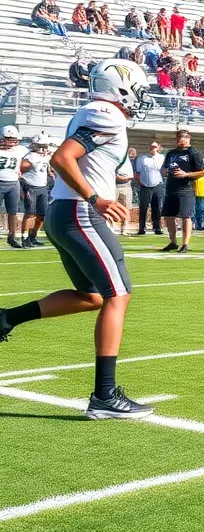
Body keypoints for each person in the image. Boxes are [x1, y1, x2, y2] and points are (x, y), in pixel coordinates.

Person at [0, 59, 156, 418]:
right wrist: (95, 198)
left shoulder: (95, 112)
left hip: (64, 212)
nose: (141, 97)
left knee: (92, 297)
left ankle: (6, 319)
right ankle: (104, 396)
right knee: (118, 295)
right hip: (79, 213)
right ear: (120, 87)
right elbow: (63, 157)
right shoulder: (106, 112)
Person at [160, 130, 204, 253]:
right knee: (169, 216)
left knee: (185, 216)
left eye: (184, 137)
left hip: (186, 188)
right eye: (179, 137)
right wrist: (165, 171)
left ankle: (185, 244)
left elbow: (202, 171)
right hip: (171, 187)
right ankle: (173, 242)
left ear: (189, 138)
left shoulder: (194, 153)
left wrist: (186, 174)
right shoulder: (171, 153)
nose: (181, 140)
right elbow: (164, 168)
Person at [19, 133, 53, 247]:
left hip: (42, 186)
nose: (42, 148)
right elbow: (21, 170)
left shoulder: (47, 156)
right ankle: (24, 238)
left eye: (44, 145)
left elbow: (48, 170)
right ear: (34, 145)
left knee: (42, 214)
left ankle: (33, 236)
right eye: (40, 145)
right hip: (30, 185)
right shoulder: (30, 156)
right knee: (30, 213)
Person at [0, 126, 28, 249]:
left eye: (13, 139)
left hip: (13, 182)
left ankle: (12, 237)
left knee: (13, 212)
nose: (11, 142)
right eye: (8, 139)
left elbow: (32, 153)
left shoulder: (21, 150)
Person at [134, 140, 164, 236]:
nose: (152, 149)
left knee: (157, 207)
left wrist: (155, 155)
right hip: (145, 185)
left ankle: (157, 227)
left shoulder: (161, 157)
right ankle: (141, 228)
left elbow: (159, 167)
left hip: (157, 184)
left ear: (159, 147)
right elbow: (137, 172)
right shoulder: (142, 158)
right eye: (151, 147)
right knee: (143, 207)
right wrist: (140, 182)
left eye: (154, 147)